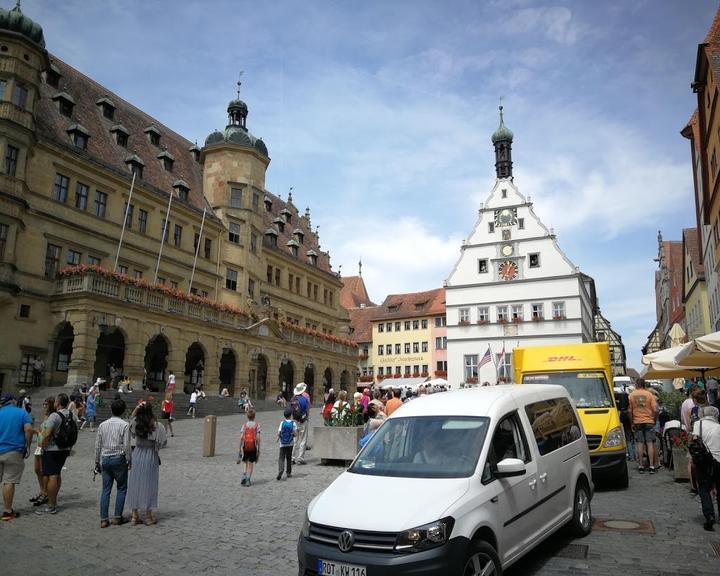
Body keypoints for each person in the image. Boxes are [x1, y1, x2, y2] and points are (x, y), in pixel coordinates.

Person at [127, 402, 166, 525]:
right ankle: (148, 516)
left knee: (135, 483)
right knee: (149, 483)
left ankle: (134, 515)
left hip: (137, 454)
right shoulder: (157, 425)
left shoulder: (136, 423)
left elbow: (130, 421)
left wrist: (136, 408)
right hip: (150, 455)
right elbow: (163, 442)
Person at [95, 398, 131, 528]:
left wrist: (96, 461)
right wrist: (129, 460)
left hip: (105, 458)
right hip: (119, 458)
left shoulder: (102, 425)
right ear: (123, 411)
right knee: (121, 488)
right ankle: (117, 517)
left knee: (105, 489)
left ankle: (104, 519)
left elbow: (97, 445)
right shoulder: (125, 425)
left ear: (111, 409)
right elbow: (127, 445)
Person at [36, 393, 73, 515]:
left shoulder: (55, 416)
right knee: (57, 474)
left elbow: (46, 433)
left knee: (52, 475)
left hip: (53, 449)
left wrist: (41, 443)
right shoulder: (70, 414)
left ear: (57, 402)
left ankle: (51, 505)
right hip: (65, 449)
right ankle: (54, 501)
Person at [0, 392, 33, 521]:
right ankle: (8, 511)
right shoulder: (21, 413)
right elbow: (29, 429)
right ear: (13, 401)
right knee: (9, 481)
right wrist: (28, 446)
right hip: (13, 451)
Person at [692, 405, 720, 531]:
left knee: (704, 488)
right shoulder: (718, 427)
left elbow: (694, 440)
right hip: (718, 460)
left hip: (704, 460)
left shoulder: (699, 424)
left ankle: (709, 516)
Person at [29, 397, 56, 509]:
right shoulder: (45, 417)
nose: (44, 406)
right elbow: (43, 431)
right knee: (37, 470)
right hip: (39, 446)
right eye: (43, 404)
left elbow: (49, 433)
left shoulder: (53, 417)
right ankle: (42, 490)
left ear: (51, 406)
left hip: (47, 447)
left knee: (43, 470)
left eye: (46, 404)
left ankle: (45, 493)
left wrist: (40, 433)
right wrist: (36, 431)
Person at [629, 378, 658, 474]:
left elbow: (630, 411)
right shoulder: (649, 395)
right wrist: (654, 419)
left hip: (637, 421)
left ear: (636, 385)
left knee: (640, 444)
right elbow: (655, 410)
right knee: (650, 444)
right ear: (644, 385)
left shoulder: (631, 395)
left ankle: (641, 465)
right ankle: (651, 466)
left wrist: (631, 422)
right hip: (649, 421)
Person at [238, 408, 260, 486]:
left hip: (245, 446)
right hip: (253, 446)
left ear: (247, 416)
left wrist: (239, 448)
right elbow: (258, 438)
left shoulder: (244, 425)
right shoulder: (256, 425)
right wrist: (258, 448)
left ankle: (244, 474)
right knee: (251, 463)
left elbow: (241, 437)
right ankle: (248, 479)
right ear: (254, 416)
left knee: (245, 461)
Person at [291, 383, 310, 465]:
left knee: (295, 439)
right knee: (303, 439)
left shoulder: (292, 399)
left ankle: (292, 457)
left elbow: (291, 411)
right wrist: (307, 417)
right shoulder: (304, 399)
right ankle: (300, 458)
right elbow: (307, 410)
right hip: (303, 420)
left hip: (295, 420)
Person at [277, 407, 296, 481]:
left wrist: (279, 437)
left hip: (282, 444)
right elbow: (295, 434)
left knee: (281, 457)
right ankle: (288, 472)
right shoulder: (293, 423)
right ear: (291, 415)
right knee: (289, 457)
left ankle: (280, 470)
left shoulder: (282, 422)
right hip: (290, 443)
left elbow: (279, 433)